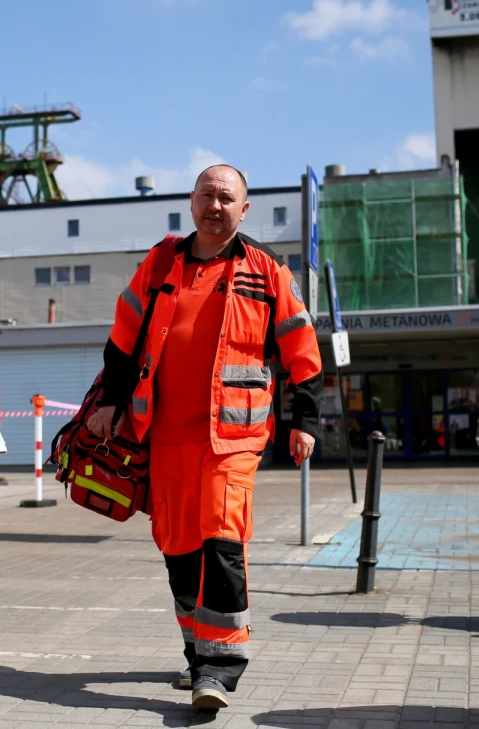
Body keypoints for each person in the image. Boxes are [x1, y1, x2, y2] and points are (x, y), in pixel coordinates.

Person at [88, 164, 323, 710]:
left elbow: (301, 351)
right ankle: (197, 653)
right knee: (177, 545)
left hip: (234, 437)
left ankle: (219, 667)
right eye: (206, 195)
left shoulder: (265, 269)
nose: (214, 206)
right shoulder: (162, 260)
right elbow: (124, 336)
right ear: (190, 202)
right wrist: (109, 404)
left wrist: (305, 422)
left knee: (221, 538)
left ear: (244, 211)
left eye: (226, 198)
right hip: (164, 434)